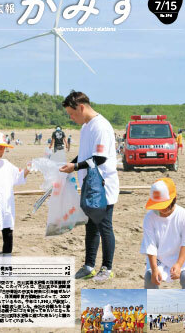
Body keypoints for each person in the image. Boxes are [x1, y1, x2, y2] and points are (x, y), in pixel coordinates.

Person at [60, 91, 119, 282]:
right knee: (91, 227)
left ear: (82, 107)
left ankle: (107, 268)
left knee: (104, 226)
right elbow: (86, 154)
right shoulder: (86, 127)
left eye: (72, 113)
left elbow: (100, 158)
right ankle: (89, 266)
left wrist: (76, 166)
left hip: (102, 185)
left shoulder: (100, 126)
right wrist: (72, 164)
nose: (71, 117)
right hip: (88, 183)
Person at [140, 178, 185, 289]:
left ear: (174, 199)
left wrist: (178, 264)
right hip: (159, 258)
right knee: (150, 278)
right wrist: (154, 269)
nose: (161, 209)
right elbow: (150, 245)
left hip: (180, 256)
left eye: (164, 205)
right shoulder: (149, 217)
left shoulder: (184, 215)